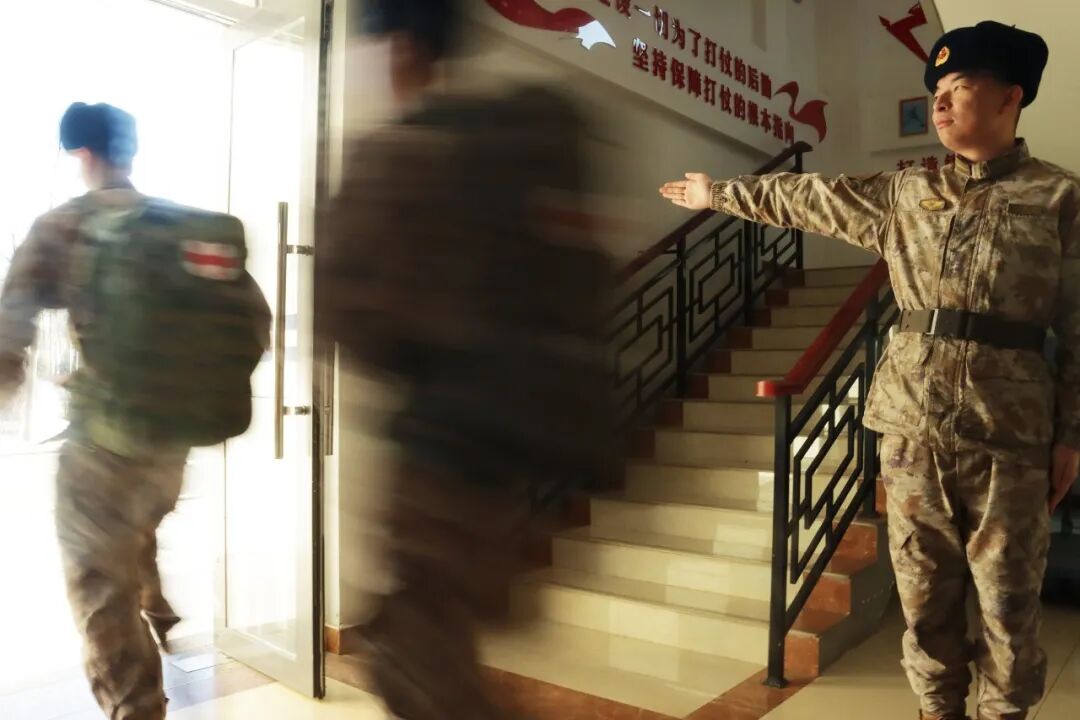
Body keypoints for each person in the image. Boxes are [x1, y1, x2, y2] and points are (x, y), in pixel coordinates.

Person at [660, 20, 1078, 720]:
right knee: (924, 604)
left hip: (1010, 437)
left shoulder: (1059, 198)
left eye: (959, 87)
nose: (939, 103)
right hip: (911, 431)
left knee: (1008, 609)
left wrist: (1071, 434)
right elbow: (807, 197)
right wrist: (718, 195)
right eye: (936, 89)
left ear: (1011, 97)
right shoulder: (906, 193)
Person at [317, 1, 616, 718]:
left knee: (416, 666)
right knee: (440, 648)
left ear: (399, 48)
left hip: (440, 452)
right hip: (526, 459)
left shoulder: (397, 154)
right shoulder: (532, 141)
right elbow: (588, 281)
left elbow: (343, 315)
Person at [0, 102, 268, 720]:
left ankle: (135, 707)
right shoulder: (183, 232)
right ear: (130, 151)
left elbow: (8, 336)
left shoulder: (62, 227)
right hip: (170, 444)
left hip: (103, 447)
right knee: (135, 524)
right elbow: (255, 323)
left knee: (97, 586)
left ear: (80, 154)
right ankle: (156, 602)